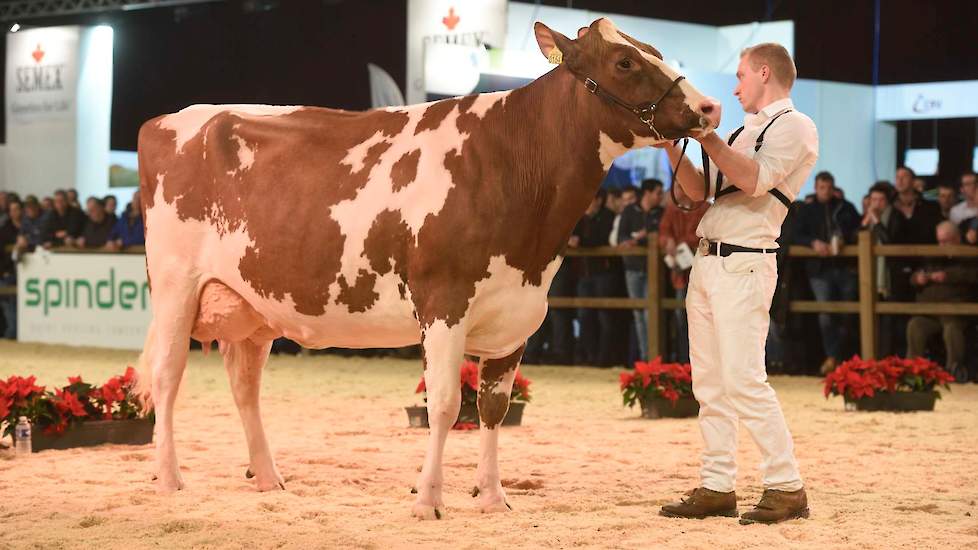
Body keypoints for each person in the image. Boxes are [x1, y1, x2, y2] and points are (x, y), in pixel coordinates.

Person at [659, 42, 816, 524]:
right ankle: (716, 484)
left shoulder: (795, 125)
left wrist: (708, 138)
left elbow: (752, 180)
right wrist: (671, 139)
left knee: (745, 380)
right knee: (710, 383)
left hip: (746, 262)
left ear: (764, 73)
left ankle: (787, 485)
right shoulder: (744, 129)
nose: (735, 85)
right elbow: (696, 189)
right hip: (710, 262)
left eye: (742, 75)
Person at [793, 171, 861, 374]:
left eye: (829, 187)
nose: (825, 191)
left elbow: (858, 230)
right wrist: (813, 243)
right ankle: (833, 357)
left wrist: (845, 240)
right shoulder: (806, 210)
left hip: (845, 267)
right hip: (819, 270)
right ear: (816, 188)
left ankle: (839, 357)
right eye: (822, 187)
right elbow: (796, 234)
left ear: (833, 188)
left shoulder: (845, 208)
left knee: (848, 313)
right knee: (826, 314)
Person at [906, 222, 977, 382]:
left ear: (957, 238)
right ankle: (912, 371)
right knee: (915, 325)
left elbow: (972, 275)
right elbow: (913, 276)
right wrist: (918, 279)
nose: (942, 245)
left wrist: (949, 276)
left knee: (951, 329)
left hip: (956, 312)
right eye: (940, 241)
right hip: (929, 311)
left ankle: (953, 371)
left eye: (947, 241)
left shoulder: (969, 254)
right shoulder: (932, 254)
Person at [616, 179, 665, 360]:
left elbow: (660, 234)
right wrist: (634, 240)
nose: (661, 196)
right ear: (647, 193)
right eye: (658, 192)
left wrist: (639, 239)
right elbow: (622, 235)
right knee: (639, 314)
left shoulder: (660, 212)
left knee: (650, 314)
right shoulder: (630, 211)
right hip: (632, 267)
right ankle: (646, 357)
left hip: (655, 270)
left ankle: (653, 358)